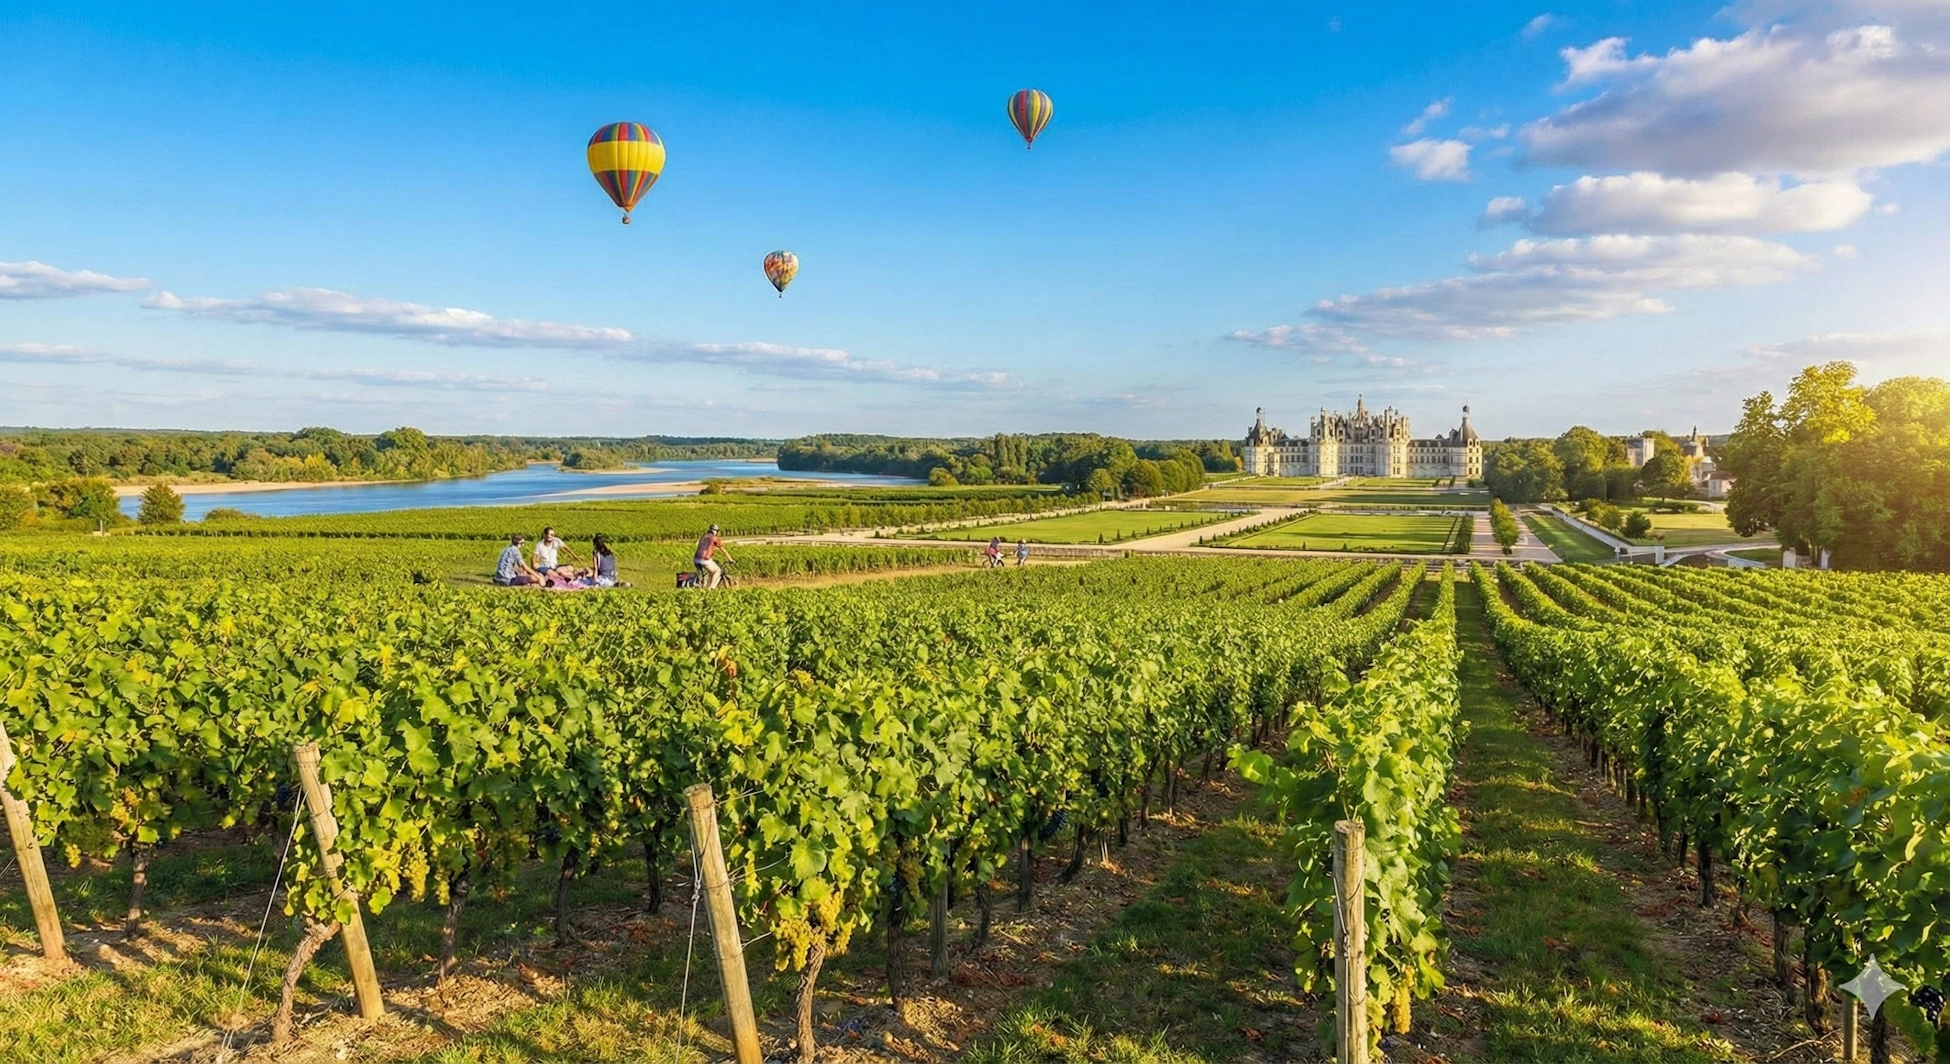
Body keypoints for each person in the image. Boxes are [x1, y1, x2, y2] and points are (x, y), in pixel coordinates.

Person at [695, 524, 734, 589]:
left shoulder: (704, 536)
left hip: (696, 559)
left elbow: (703, 548)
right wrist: (731, 559)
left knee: (708, 573)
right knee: (717, 570)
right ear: (715, 531)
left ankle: (704, 585)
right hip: (705, 559)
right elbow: (723, 550)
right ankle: (711, 588)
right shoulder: (714, 538)